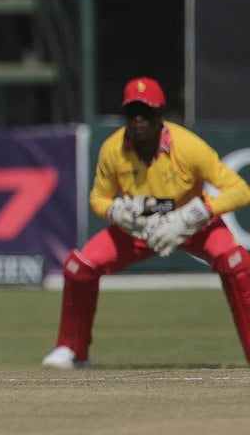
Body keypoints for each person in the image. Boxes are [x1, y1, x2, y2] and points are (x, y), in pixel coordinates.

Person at [42, 76, 250, 369]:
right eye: (132, 113)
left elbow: (241, 190)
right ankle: (73, 350)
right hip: (137, 229)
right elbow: (99, 198)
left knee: (236, 262)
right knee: (79, 268)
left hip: (190, 225)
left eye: (147, 113)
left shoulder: (189, 147)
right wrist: (116, 213)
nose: (139, 120)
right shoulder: (113, 150)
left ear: (161, 115)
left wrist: (197, 213)